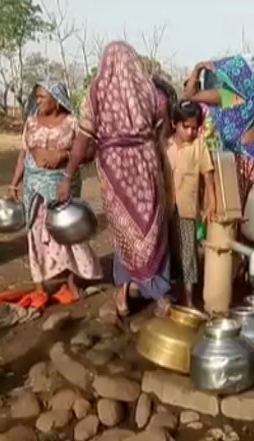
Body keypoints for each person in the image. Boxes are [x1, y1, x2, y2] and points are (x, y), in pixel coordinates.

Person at [56, 41, 171, 319]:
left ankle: (122, 292)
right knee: (152, 228)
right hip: (146, 164)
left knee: (123, 229)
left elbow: (83, 138)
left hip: (114, 168)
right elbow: (162, 135)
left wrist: (68, 174)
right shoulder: (152, 93)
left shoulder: (96, 93)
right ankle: (161, 294)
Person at [184, 55, 254, 285]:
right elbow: (190, 96)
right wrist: (197, 67)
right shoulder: (227, 97)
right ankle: (237, 268)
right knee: (232, 220)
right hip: (230, 166)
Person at [8, 81, 102, 305]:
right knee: (35, 230)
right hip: (34, 185)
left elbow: (88, 153)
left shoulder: (72, 123)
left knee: (65, 230)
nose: (38, 101)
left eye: (42, 96)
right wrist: (14, 184)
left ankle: (70, 279)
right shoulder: (30, 122)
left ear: (57, 99)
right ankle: (40, 283)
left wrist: (64, 156)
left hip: (61, 184)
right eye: (37, 97)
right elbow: (23, 155)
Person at [164, 100, 216, 306]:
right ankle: (168, 293)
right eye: (186, 127)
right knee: (168, 251)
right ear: (174, 123)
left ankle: (189, 298)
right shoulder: (164, 145)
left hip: (187, 208)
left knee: (188, 253)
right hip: (166, 208)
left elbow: (208, 176)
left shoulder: (199, 146)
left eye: (195, 127)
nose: (190, 131)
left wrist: (211, 202)